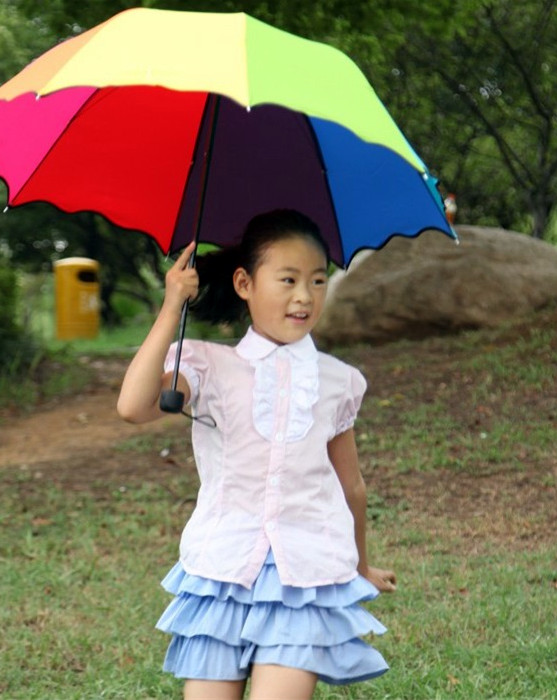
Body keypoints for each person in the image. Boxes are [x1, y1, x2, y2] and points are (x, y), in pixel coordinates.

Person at [117, 210, 396, 700]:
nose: (304, 296)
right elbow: (133, 407)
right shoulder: (209, 365)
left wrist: (360, 567)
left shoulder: (339, 380)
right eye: (287, 280)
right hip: (220, 571)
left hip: (302, 578)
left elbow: (350, 485)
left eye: (317, 280)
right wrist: (171, 306)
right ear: (244, 283)